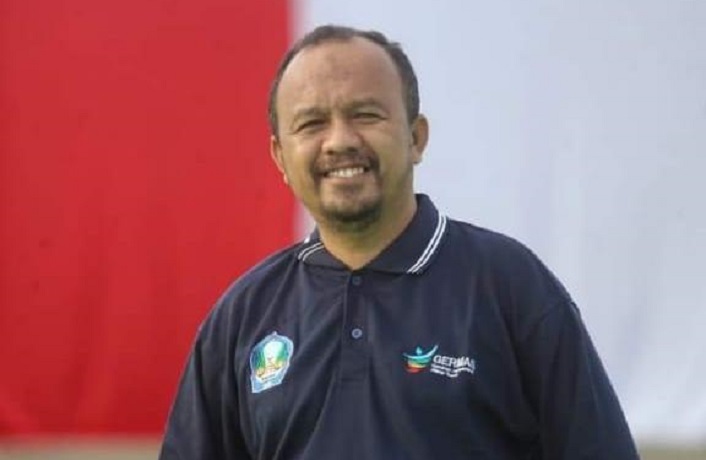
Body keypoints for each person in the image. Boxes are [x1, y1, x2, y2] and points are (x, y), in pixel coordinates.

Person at [159, 25, 640, 459]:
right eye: (312, 123)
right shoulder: (243, 316)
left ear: (416, 138)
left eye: (366, 115)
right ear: (280, 156)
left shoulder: (511, 288)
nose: (340, 141)